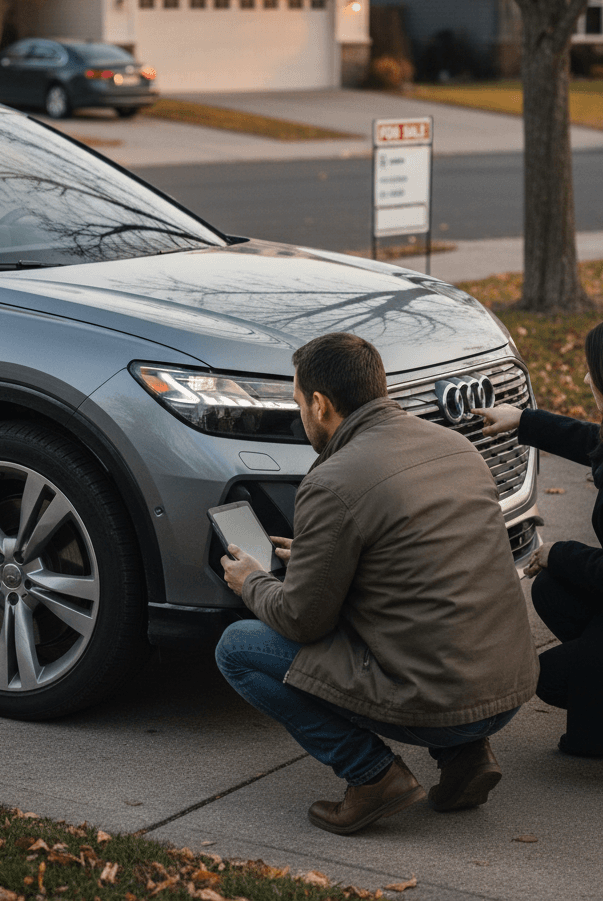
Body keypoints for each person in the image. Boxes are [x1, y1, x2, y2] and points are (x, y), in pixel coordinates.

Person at [215, 332, 538, 835]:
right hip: (506, 688)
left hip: (441, 701)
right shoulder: (455, 446)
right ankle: (466, 759)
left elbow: (302, 620)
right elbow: (420, 562)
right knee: (436, 623)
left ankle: (373, 777)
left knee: (237, 648)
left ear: (320, 405)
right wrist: (323, 557)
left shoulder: (332, 480)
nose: (302, 416)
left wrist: (252, 580)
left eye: (300, 404)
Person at [474, 314, 603, 781]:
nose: (587, 378)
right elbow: (599, 442)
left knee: (550, 676)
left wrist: (559, 552)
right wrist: (524, 421)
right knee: (552, 590)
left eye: (593, 368)